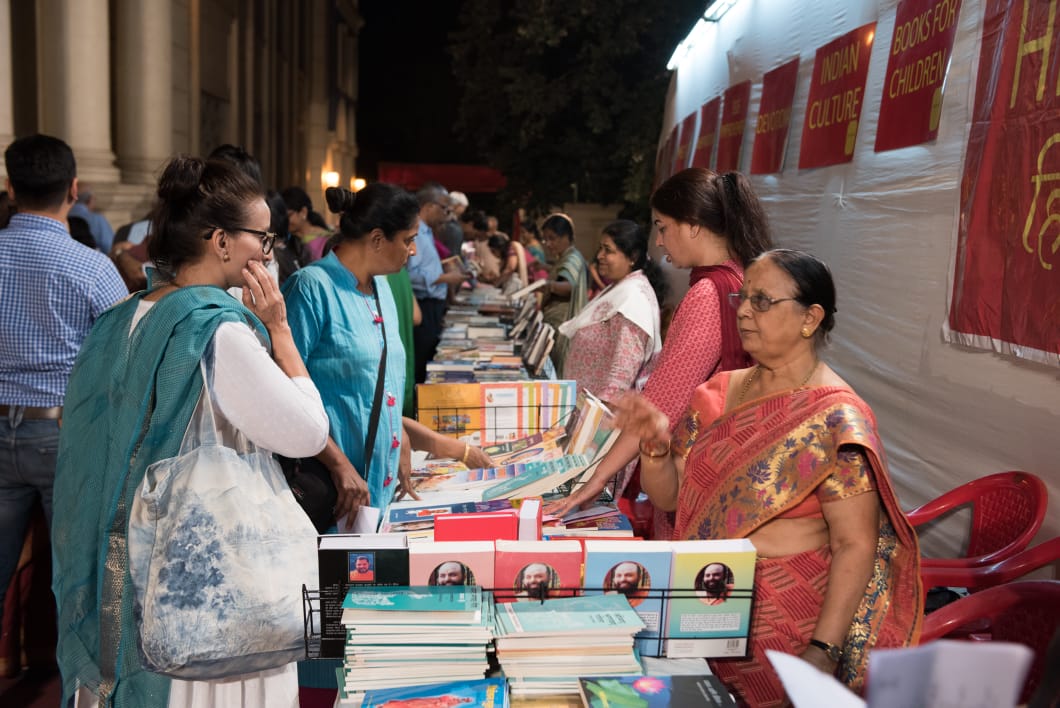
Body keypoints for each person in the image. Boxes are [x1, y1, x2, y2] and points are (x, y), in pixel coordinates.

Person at [51, 155, 330, 707]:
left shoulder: (125, 315)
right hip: (206, 591)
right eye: (262, 239)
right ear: (222, 241)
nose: (268, 254)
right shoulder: (217, 330)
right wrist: (278, 328)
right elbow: (307, 433)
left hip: (129, 561)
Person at [615, 249, 922, 705]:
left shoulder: (835, 418)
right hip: (698, 608)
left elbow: (854, 543)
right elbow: (670, 500)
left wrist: (822, 650)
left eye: (762, 301)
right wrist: (656, 451)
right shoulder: (717, 393)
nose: (742, 311)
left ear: (809, 318)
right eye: (742, 298)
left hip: (784, 627)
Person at [545, 169, 773, 535]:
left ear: (693, 225)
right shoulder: (738, 278)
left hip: (693, 478)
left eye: (663, 227)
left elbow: (660, 407)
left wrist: (597, 477)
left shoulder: (706, 294)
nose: (660, 242)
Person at [0, 135, 127, 627]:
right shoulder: (92, 268)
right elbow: (123, 359)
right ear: (73, 188)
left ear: (11, 189)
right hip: (63, 432)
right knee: (78, 580)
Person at [282, 184, 421, 523]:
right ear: (377, 239)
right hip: (333, 491)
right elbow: (284, 393)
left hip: (377, 493)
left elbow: (379, 383)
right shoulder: (311, 288)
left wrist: (398, 433)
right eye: (408, 239)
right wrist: (339, 464)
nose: (413, 250)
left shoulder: (382, 288)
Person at [560, 220, 668, 405]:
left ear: (632, 256)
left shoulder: (633, 300)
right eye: (600, 248)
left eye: (608, 250)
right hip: (584, 407)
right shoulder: (620, 288)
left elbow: (622, 373)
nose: (600, 256)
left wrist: (600, 421)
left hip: (599, 418)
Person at [407, 183, 468, 384]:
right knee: (422, 366)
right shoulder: (415, 232)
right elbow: (412, 275)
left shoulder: (427, 233)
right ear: (428, 207)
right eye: (444, 208)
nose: (447, 214)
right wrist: (446, 278)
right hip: (423, 307)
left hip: (433, 306)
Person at [539, 213, 589, 369]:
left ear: (565, 237)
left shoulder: (572, 258)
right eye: (545, 239)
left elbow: (569, 286)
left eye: (552, 238)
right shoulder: (565, 256)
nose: (547, 243)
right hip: (556, 323)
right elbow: (560, 273)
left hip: (564, 326)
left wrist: (547, 285)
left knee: (560, 369)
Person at [281, 186, 331, 262]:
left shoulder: (325, 240)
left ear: (303, 212)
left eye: (289, 215)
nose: (284, 220)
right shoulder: (287, 239)